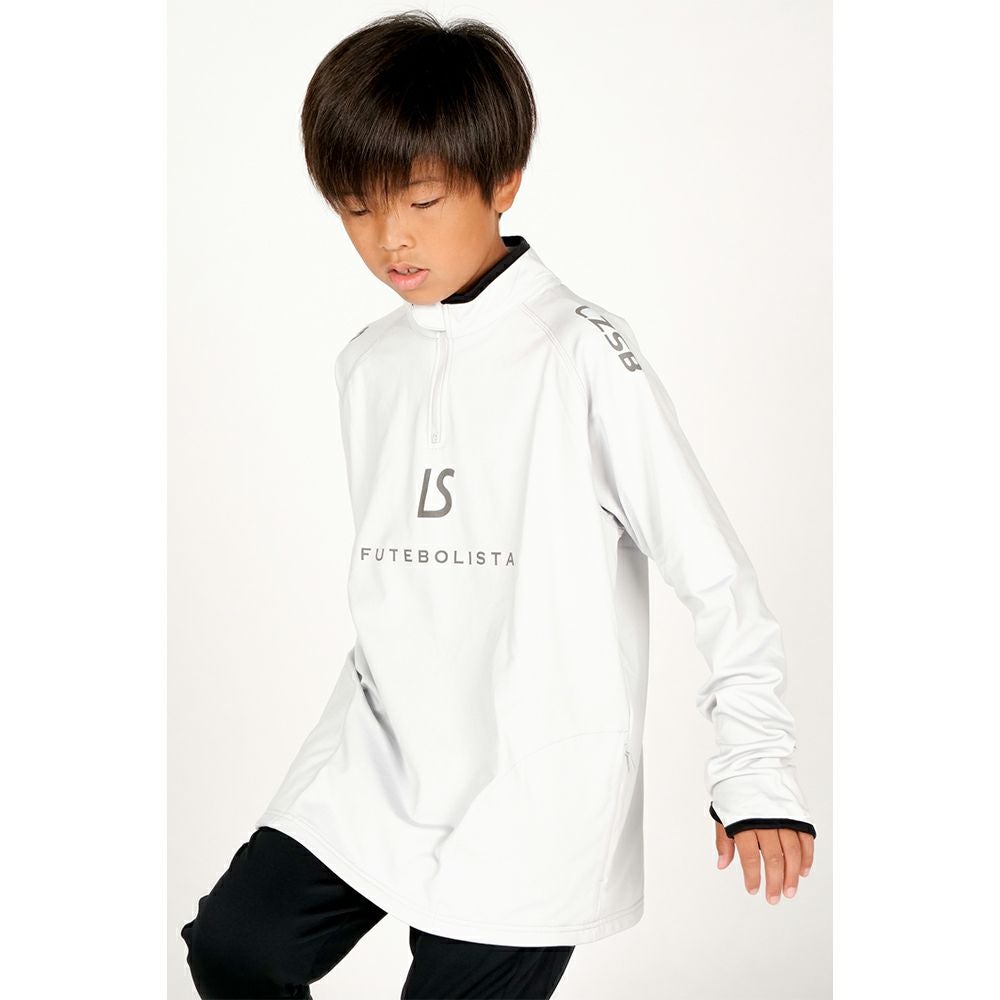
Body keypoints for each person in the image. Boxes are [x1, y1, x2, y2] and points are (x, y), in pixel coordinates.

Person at [180, 9, 818, 999]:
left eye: (422, 200)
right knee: (236, 947)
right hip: (380, 764)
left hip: (535, 790)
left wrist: (756, 772)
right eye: (356, 208)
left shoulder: (582, 353)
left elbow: (715, 575)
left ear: (503, 179)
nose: (390, 237)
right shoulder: (368, 366)